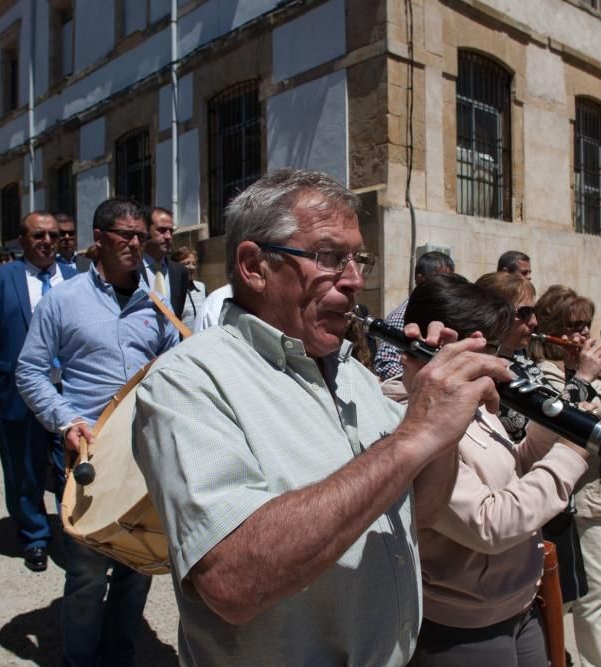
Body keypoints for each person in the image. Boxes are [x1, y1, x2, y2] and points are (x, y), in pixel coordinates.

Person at [133, 168, 512, 665]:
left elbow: (419, 511)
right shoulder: (187, 380)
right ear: (254, 266)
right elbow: (232, 582)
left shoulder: (352, 374)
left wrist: (442, 427)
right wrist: (413, 435)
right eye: (330, 258)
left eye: (359, 259)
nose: (355, 280)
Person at [389, 274, 588, 666]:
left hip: (518, 604)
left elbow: (514, 467)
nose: (504, 365)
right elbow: (488, 522)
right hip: (462, 625)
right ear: (444, 347)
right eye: (491, 349)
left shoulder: (469, 394)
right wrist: (570, 455)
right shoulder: (405, 417)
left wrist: (562, 423)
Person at [16, 198, 179, 665]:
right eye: (125, 235)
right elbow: (29, 371)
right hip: (86, 455)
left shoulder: (157, 302)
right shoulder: (63, 301)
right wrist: (66, 420)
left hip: (145, 454)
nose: (135, 244)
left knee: (138, 565)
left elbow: (175, 366)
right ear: (99, 239)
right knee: (87, 575)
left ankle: (120, 655)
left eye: (140, 237)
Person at [529, 285, 601, 667]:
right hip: (582, 498)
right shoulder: (547, 371)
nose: (583, 334)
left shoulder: (588, 365)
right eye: (573, 325)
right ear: (551, 327)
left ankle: (560, 653)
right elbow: (570, 416)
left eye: (586, 325)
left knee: (581, 589)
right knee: (594, 593)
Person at [476, 271, 595, 610]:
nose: (535, 321)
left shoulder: (525, 362)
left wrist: (576, 374)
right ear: (496, 315)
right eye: (524, 313)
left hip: (548, 498)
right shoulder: (494, 369)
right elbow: (534, 426)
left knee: (561, 606)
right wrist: (584, 378)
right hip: (523, 501)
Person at [0, 212, 76, 572]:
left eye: (53, 235)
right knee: (24, 468)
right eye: (39, 235)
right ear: (22, 239)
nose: (48, 241)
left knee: (72, 468)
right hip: (17, 394)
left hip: (68, 392)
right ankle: (34, 534)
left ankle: (74, 535)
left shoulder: (76, 278)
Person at [372, 250, 455, 380]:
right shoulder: (403, 315)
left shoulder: (440, 312)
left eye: (449, 280)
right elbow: (385, 364)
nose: (446, 286)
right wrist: (418, 378)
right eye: (439, 279)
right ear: (419, 279)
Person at [143, 206, 188, 318]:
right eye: (162, 230)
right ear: (146, 231)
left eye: (171, 231)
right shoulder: (131, 269)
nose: (168, 236)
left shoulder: (180, 272)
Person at [170, 246, 206, 331]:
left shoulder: (201, 287)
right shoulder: (171, 290)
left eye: (194, 264)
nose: (191, 267)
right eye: (187, 263)